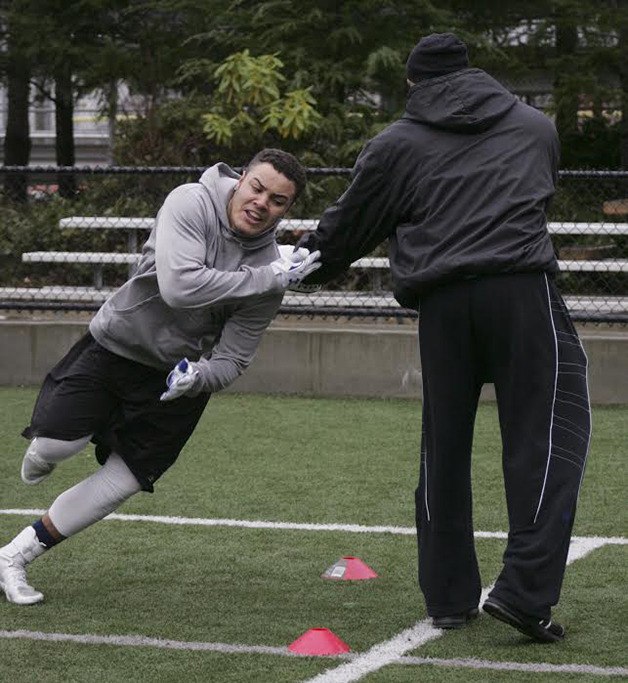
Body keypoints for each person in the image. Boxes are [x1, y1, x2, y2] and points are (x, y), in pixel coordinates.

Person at [298, 33, 591, 643]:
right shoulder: (536, 127)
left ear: (413, 84)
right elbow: (536, 194)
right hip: (521, 294)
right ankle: (523, 593)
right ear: (472, 70)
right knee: (548, 440)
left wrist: (288, 267)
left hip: (443, 305)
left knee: (444, 449)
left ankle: (450, 598)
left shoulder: (394, 145)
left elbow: (346, 231)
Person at [0, 148, 320, 605]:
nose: (261, 203)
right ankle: (46, 449)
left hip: (176, 376)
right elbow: (180, 286)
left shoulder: (274, 271)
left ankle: (13, 556)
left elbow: (234, 359)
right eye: (257, 187)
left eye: (278, 200)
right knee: (56, 445)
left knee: (122, 482)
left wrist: (201, 377)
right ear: (241, 177)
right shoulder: (192, 201)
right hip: (117, 346)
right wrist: (265, 278)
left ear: (287, 210)